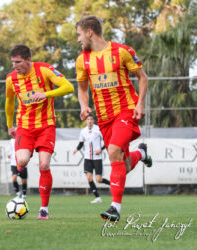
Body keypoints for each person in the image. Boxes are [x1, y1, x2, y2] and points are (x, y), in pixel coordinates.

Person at [75, 16, 152, 222]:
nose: (78, 39)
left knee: (113, 151)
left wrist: (140, 103)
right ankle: (141, 154)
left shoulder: (122, 51)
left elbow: (142, 77)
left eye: (79, 34)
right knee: (123, 165)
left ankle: (115, 208)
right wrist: (84, 106)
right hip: (105, 118)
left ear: (89, 32)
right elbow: (82, 89)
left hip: (126, 111)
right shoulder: (82, 60)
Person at [5, 44, 74, 220]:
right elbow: (10, 102)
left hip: (46, 125)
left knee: (44, 165)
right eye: (13, 62)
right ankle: (21, 191)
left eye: (18, 62)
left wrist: (47, 94)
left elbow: (68, 87)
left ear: (28, 60)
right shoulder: (11, 79)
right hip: (24, 127)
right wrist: (9, 125)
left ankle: (44, 208)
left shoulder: (44, 70)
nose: (15, 66)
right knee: (21, 160)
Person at [73, 113, 110, 203]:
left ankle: (112, 184)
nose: (89, 121)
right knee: (89, 178)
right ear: (86, 121)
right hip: (87, 158)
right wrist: (76, 149)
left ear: (93, 120)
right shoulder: (83, 131)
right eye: (88, 119)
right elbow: (81, 143)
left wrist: (100, 150)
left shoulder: (98, 129)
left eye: (91, 119)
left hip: (97, 158)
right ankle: (97, 197)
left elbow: (106, 140)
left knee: (98, 179)